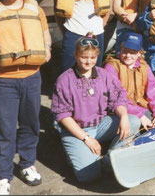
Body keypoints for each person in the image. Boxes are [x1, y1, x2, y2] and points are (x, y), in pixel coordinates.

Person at [0, 0, 52, 195]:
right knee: (4, 129)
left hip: (32, 78)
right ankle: (3, 175)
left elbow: (45, 31)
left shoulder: (34, 7)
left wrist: (47, 46)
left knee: (30, 125)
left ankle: (27, 164)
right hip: (4, 80)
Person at [51, 33, 140, 183]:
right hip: (77, 131)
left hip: (100, 125)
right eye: (84, 57)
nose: (88, 61)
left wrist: (124, 117)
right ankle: (77, 152)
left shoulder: (104, 75)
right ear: (75, 55)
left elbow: (117, 99)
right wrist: (87, 139)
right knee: (89, 176)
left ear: (97, 56)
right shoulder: (64, 80)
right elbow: (63, 116)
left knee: (133, 121)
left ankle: (110, 157)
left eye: (92, 58)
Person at [104, 32, 155, 130]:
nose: (128, 55)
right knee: (136, 123)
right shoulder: (111, 67)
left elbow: (154, 93)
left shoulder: (144, 67)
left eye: (133, 52)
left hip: (141, 106)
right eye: (125, 51)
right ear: (120, 49)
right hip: (121, 110)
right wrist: (140, 116)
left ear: (139, 53)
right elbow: (116, 96)